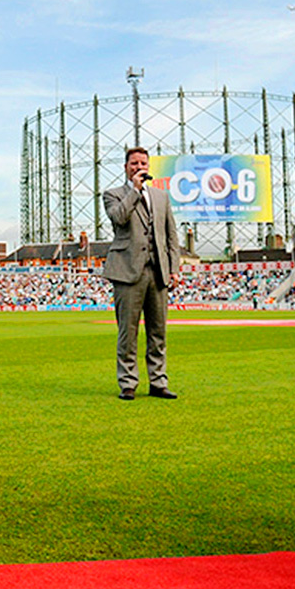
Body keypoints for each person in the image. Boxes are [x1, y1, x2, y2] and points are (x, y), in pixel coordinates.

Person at [102, 147, 181, 400]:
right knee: (128, 331)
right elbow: (118, 218)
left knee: (158, 332)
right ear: (126, 167)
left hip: (158, 271)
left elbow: (171, 235)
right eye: (134, 163)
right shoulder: (113, 194)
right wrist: (135, 191)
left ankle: (158, 382)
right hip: (127, 271)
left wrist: (174, 268)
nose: (139, 167)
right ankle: (128, 382)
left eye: (143, 163)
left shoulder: (161, 196)